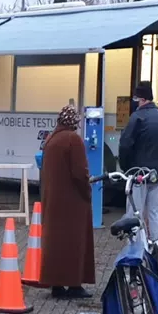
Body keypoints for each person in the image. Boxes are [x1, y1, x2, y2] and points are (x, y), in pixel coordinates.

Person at [40, 105, 95, 299]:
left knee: (56, 243)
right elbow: (80, 172)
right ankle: (74, 283)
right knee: (74, 243)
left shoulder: (51, 139)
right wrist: (88, 191)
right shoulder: (73, 140)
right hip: (72, 202)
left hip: (53, 201)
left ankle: (56, 284)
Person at [118, 82, 158, 243]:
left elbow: (125, 145)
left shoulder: (137, 118)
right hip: (157, 175)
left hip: (138, 174)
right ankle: (157, 245)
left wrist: (127, 169)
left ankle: (135, 246)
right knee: (155, 213)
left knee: (135, 213)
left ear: (141, 99)